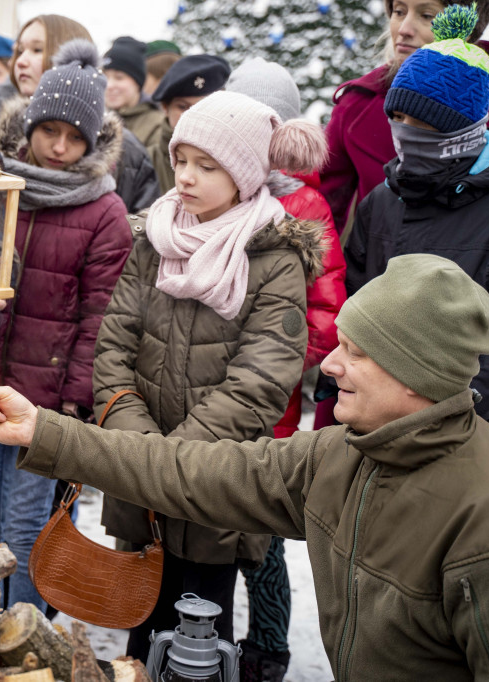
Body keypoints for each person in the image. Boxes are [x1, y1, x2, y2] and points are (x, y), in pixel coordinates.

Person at [0, 253, 489, 681]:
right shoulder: (341, 454)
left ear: (417, 375)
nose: (329, 365)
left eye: (356, 353)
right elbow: (187, 471)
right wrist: (45, 431)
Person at [93, 90, 327, 661]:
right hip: (142, 475)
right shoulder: (154, 237)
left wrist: (177, 457)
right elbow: (114, 347)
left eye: (208, 166)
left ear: (244, 175)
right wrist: (141, 445)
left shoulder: (274, 257)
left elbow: (263, 379)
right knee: (142, 632)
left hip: (213, 482)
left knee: (201, 635)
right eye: (182, 161)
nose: (188, 178)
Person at [0, 39, 132, 611]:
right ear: (30, 126)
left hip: (44, 398)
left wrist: (75, 400)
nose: (60, 147)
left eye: (75, 138)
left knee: (24, 524)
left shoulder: (104, 211)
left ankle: (22, 634)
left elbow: (99, 317)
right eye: (51, 131)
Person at [346, 4, 489, 443]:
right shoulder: (382, 202)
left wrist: (448, 399)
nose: (405, 133)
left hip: (464, 434)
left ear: (461, 129)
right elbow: (352, 303)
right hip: (370, 424)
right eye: (398, 120)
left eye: (423, 124)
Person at [225, 56, 347, 682]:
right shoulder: (216, 191)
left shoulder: (304, 207)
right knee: (210, 514)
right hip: (207, 389)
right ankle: (210, 632)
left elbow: (326, 305)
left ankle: (268, 646)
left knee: (263, 532)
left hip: (269, 400)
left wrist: (281, 362)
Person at [320, 0, 489, 235]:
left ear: (465, 26)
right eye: (398, 11)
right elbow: (322, 215)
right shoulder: (357, 105)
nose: (403, 28)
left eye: (426, 16)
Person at [9, 16, 160, 212]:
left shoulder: (124, 150)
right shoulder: (0, 130)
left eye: (37, 50)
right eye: (20, 50)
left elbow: (136, 228)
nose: (20, 61)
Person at [147, 54, 230, 193]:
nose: (194, 115)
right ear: (165, 108)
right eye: (183, 107)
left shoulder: (234, 162)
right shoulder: (144, 163)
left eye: (205, 106)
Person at [103, 36, 166, 149]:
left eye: (119, 77)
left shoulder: (158, 124)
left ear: (138, 83)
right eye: (105, 77)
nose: (109, 85)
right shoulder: (98, 117)